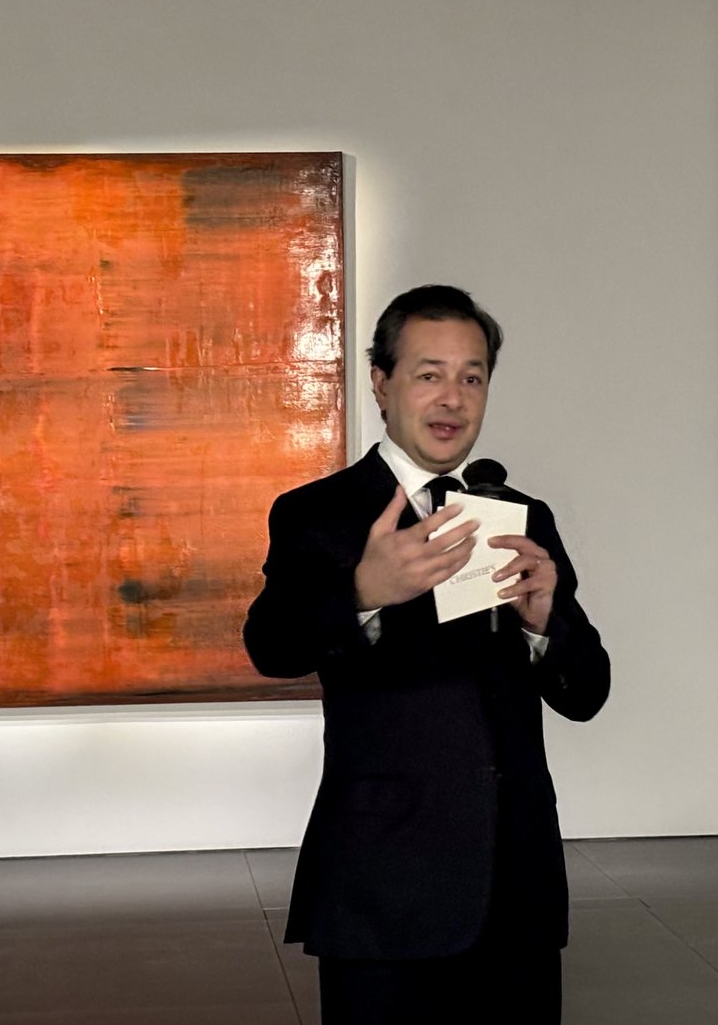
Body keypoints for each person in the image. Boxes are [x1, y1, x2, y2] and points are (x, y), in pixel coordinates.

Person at [243, 284, 610, 1024]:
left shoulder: (520, 517)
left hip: (515, 878)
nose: (453, 398)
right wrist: (362, 592)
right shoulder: (318, 512)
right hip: (383, 875)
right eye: (428, 374)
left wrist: (546, 622)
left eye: (472, 377)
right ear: (381, 383)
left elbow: (586, 693)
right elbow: (270, 646)